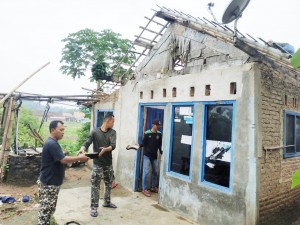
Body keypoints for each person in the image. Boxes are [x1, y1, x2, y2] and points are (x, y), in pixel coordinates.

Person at [38, 120, 90, 225]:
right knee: (45, 212)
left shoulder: (53, 143)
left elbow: (60, 160)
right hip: (49, 183)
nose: (63, 132)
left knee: (48, 210)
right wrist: (79, 158)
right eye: (61, 130)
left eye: (64, 130)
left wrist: (76, 158)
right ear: (52, 130)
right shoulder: (51, 143)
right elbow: (63, 159)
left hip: (51, 182)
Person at [78, 112, 117, 217]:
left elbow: (113, 146)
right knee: (95, 185)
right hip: (97, 163)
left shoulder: (113, 132)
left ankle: (107, 202)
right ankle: (94, 207)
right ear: (107, 121)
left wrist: (106, 149)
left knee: (108, 183)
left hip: (108, 163)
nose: (113, 124)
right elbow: (87, 142)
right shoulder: (95, 132)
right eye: (113, 121)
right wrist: (82, 149)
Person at [138, 119, 163, 197]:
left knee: (155, 171)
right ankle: (144, 189)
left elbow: (159, 145)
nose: (158, 126)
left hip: (154, 156)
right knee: (146, 172)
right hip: (147, 155)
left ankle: (153, 187)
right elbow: (143, 143)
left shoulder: (159, 134)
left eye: (159, 125)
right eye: (157, 125)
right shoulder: (147, 133)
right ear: (153, 125)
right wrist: (137, 146)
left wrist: (161, 152)